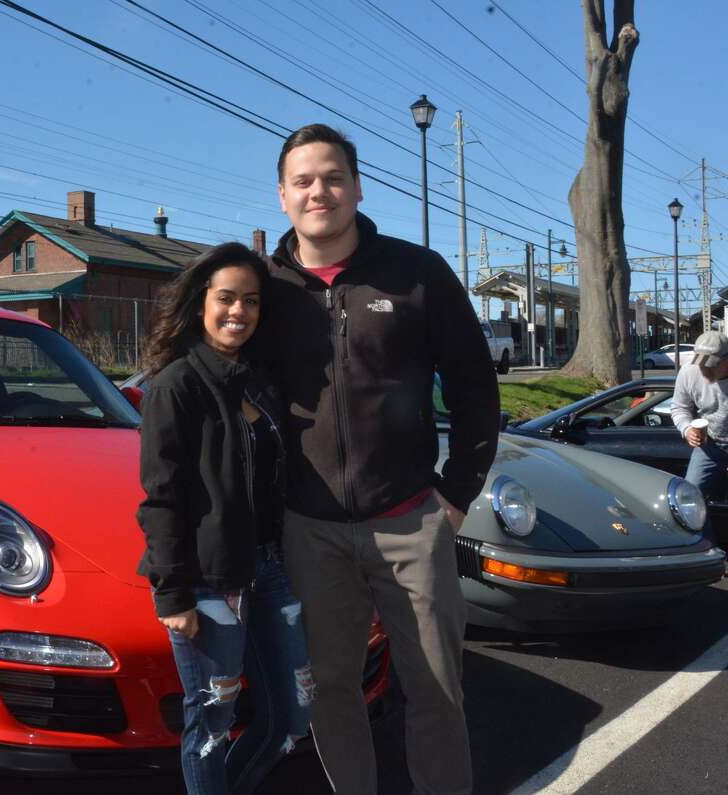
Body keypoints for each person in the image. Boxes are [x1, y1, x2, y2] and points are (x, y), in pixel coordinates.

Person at [261, 123, 499, 794]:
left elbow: (477, 387)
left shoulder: (417, 273)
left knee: (436, 689)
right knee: (331, 690)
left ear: (358, 187)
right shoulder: (265, 290)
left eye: (333, 177)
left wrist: (453, 499)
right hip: (309, 529)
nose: (320, 191)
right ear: (282, 195)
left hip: (410, 520)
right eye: (303, 180)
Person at [137, 242, 313, 795]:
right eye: (227, 298)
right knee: (211, 724)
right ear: (200, 303)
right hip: (209, 581)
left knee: (293, 715)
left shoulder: (259, 379)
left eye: (252, 301)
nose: (239, 311)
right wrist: (173, 595)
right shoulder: (176, 386)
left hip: (271, 569)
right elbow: (161, 498)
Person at [670, 330, 728, 504]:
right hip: (710, 444)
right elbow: (679, 407)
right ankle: (701, 530)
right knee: (689, 497)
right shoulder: (689, 372)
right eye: (700, 362)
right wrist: (687, 429)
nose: (703, 369)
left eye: (710, 364)